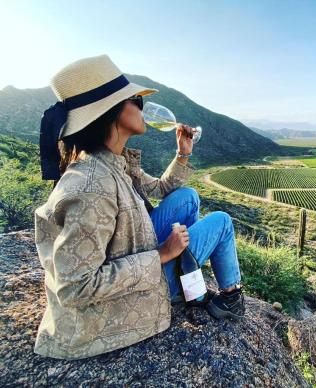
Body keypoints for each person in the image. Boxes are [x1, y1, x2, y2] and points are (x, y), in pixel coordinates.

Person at [33, 54, 245, 360]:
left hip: (134, 257)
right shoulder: (91, 186)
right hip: (133, 294)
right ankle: (229, 298)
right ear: (112, 111)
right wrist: (162, 254)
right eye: (137, 101)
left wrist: (182, 154)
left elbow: (160, 189)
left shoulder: (111, 162)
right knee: (222, 221)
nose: (143, 108)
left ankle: (187, 276)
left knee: (187, 197)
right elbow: (75, 287)